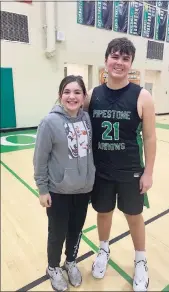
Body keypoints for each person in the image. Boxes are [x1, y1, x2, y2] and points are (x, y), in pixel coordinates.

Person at [84, 37, 156, 291]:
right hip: (100, 170)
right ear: (106, 60)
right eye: (115, 57)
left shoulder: (142, 96)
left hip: (130, 171)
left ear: (130, 64)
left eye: (125, 59)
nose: (119, 63)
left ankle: (140, 260)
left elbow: (149, 137)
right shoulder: (92, 95)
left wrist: (148, 173)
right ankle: (104, 250)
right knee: (103, 213)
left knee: (134, 216)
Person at [33, 75, 95, 291]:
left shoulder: (86, 119)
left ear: (84, 96)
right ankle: (53, 267)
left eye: (77, 92)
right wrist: (43, 189)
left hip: (83, 189)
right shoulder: (49, 122)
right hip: (58, 190)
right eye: (67, 92)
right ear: (60, 95)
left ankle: (70, 262)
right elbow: (40, 159)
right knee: (57, 232)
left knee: (76, 231)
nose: (72, 96)